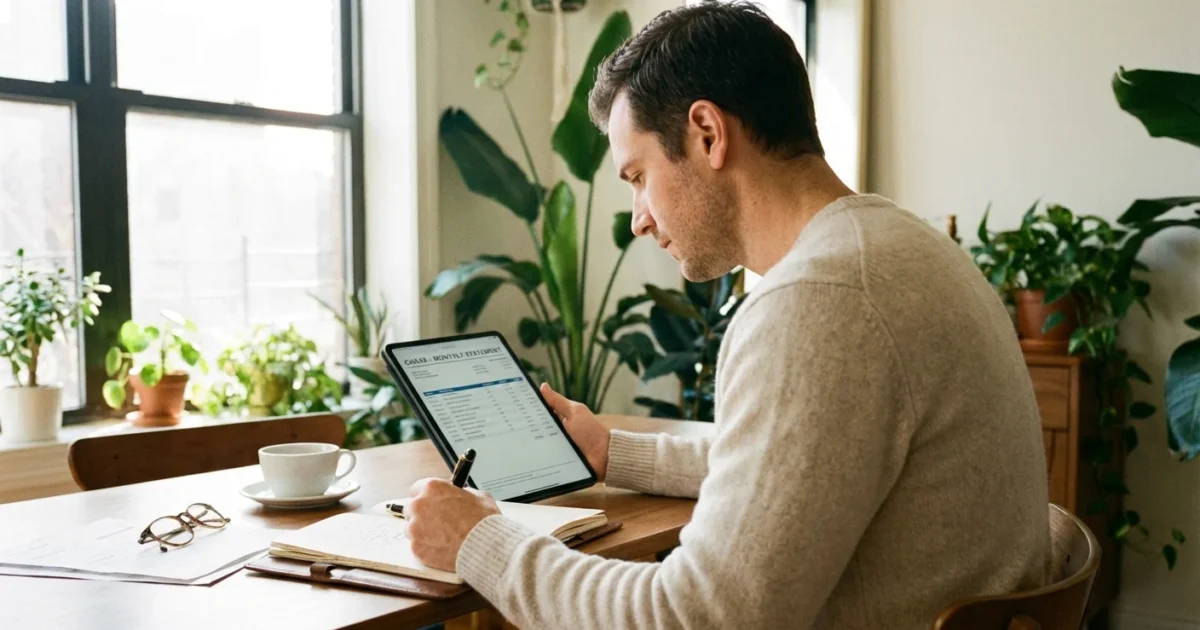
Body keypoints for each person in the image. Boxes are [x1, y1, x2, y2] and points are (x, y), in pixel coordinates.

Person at [403, 1, 1052, 628]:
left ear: (708, 134)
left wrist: (480, 541)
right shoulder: (904, 253)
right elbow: (802, 470)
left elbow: (701, 618)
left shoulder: (820, 301)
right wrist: (614, 452)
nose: (638, 219)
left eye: (637, 176)